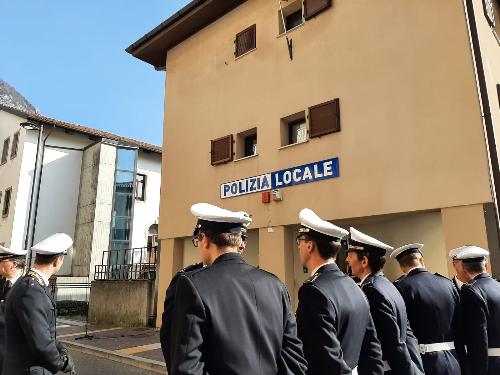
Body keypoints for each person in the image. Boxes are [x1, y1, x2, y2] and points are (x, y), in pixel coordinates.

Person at [163, 203, 307, 375]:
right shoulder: (276, 285)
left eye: (197, 241)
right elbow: (294, 359)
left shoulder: (193, 285)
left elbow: (187, 367)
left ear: (204, 239)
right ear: (238, 242)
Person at [295, 209, 383, 375]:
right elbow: (372, 348)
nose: (298, 246)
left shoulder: (313, 291)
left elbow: (325, 358)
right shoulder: (354, 286)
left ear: (310, 246)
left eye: (300, 240)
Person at [345, 228, 424, 375]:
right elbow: (408, 336)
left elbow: (392, 341)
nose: (347, 260)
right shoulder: (388, 285)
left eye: (350, 255)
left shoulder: (371, 291)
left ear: (364, 261)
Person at [2, 233, 76, 375]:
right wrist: (63, 363)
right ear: (58, 261)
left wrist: (60, 349)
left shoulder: (29, 285)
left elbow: (42, 331)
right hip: (29, 369)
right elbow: (41, 343)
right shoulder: (31, 291)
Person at [391, 243, 463, 374]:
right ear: (421, 260)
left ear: (402, 267)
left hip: (423, 362)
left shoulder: (400, 287)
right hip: (454, 360)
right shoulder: (447, 284)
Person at [455, 246, 500, 375]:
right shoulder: (498, 286)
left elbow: (478, 338)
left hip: (490, 365)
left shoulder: (471, 291)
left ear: (463, 268)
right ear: (485, 266)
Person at [0, 245, 27, 372]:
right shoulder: (1, 282)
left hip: (13, 355)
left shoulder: (28, 286)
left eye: (1, 261)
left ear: (14, 264)